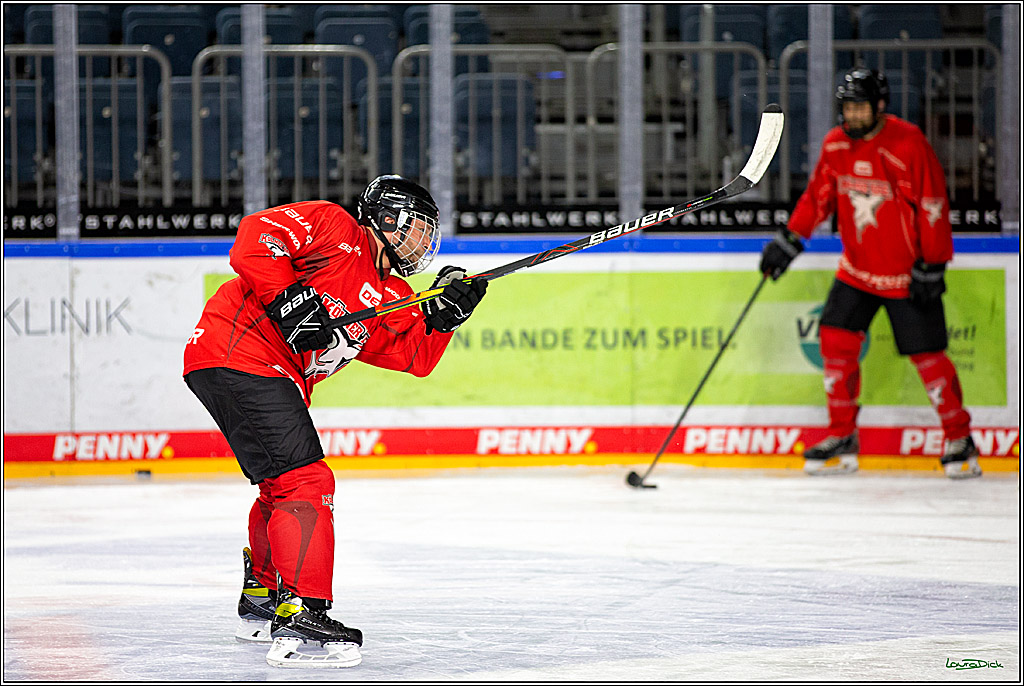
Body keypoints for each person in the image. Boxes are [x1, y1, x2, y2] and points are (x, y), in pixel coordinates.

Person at [182, 175, 488, 668]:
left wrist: (443, 316)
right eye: (417, 229)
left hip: (242, 363)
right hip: (241, 349)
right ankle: (300, 609)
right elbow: (256, 237)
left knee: (280, 485)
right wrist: (290, 300)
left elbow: (413, 355)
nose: (423, 243)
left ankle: (263, 594)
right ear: (387, 219)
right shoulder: (334, 226)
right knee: (307, 481)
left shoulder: (390, 292)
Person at [759, 67, 981, 480]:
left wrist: (933, 264)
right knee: (834, 342)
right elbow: (817, 197)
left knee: (928, 357)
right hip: (857, 271)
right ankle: (842, 438)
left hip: (905, 274)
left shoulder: (907, 143)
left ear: (880, 106)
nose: (853, 115)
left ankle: (960, 439)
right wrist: (790, 239)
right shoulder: (836, 145)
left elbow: (933, 203)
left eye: (860, 107)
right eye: (847, 107)